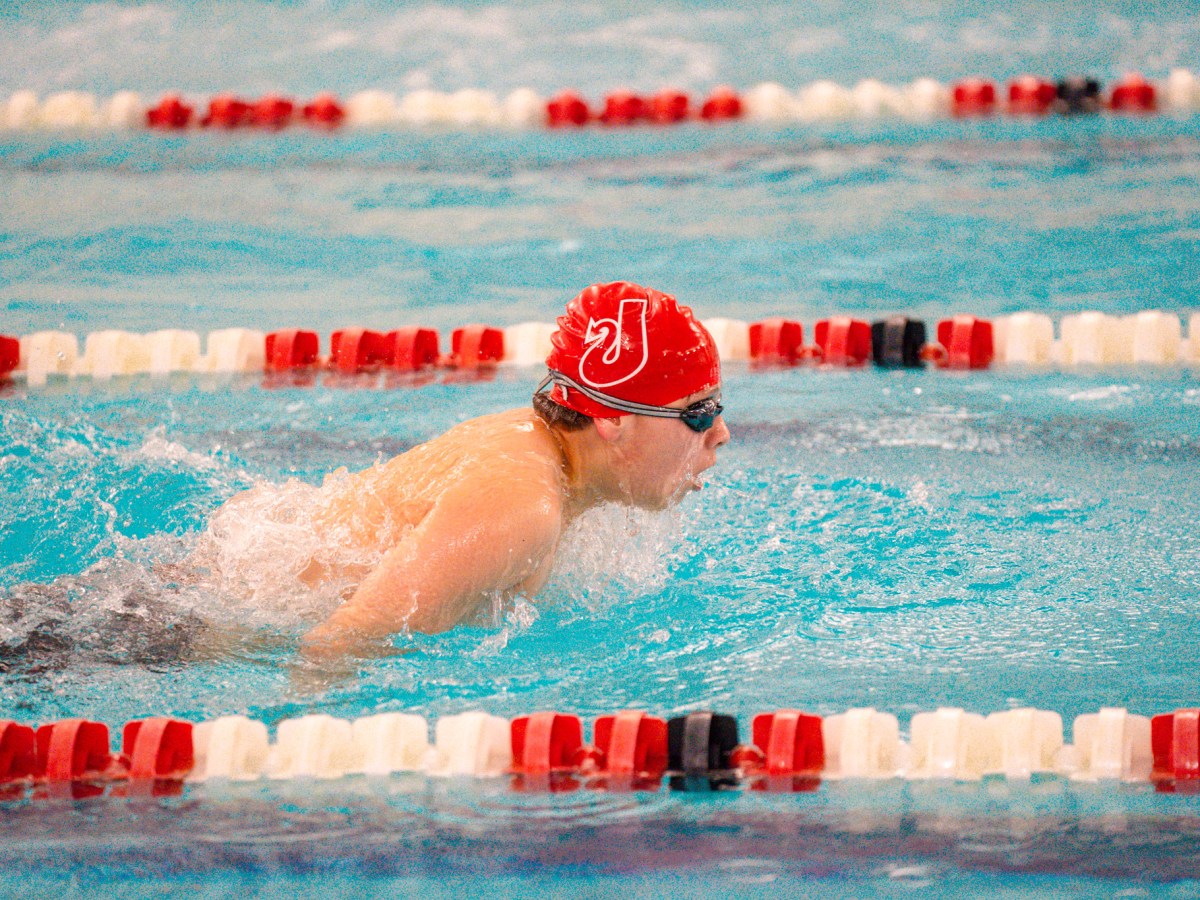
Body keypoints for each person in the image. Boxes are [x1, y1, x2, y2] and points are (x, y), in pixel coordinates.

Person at [296, 281, 729, 660]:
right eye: (699, 412)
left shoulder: (545, 455)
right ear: (611, 418)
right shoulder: (520, 507)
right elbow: (339, 642)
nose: (720, 433)